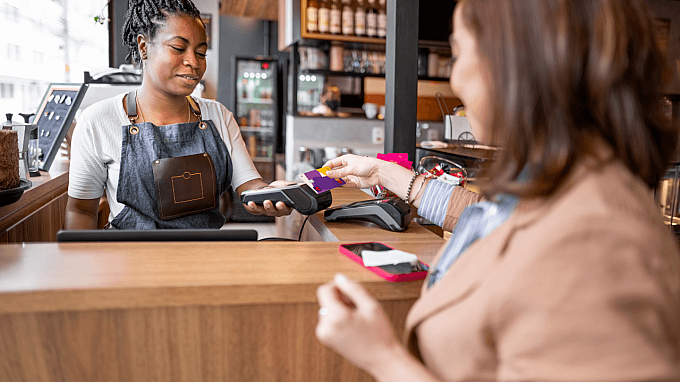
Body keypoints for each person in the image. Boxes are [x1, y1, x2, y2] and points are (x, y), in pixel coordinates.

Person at [315, 0, 680, 381]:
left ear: (518, 62)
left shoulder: (593, 239)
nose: (454, 80)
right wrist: (382, 172)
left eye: (459, 54)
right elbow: (488, 216)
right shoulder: (558, 178)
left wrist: (383, 358)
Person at [65, 0, 291, 230]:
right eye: (178, 48)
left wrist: (270, 194)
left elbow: (250, 185)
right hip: (129, 258)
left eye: (201, 53)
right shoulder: (98, 120)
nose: (193, 62)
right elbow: (80, 209)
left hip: (202, 258)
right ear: (143, 47)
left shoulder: (218, 115)